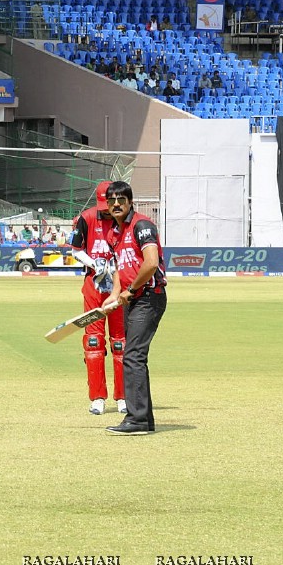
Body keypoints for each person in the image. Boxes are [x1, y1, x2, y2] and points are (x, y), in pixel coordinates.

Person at [102, 181, 167, 435]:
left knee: (132, 356)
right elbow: (120, 267)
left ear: (130, 202)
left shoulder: (142, 226)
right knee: (135, 357)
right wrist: (115, 294)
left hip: (149, 296)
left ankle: (137, 420)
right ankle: (144, 419)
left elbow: (150, 263)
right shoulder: (113, 234)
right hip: (133, 298)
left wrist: (130, 291)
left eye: (121, 199)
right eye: (111, 200)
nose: (116, 204)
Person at [70, 181, 126, 416]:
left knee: (120, 342)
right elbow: (75, 249)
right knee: (93, 342)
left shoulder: (126, 219)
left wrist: (113, 267)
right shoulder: (86, 218)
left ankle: (123, 397)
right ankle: (97, 398)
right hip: (94, 284)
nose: (107, 209)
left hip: (119, 283)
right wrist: (95, 263)